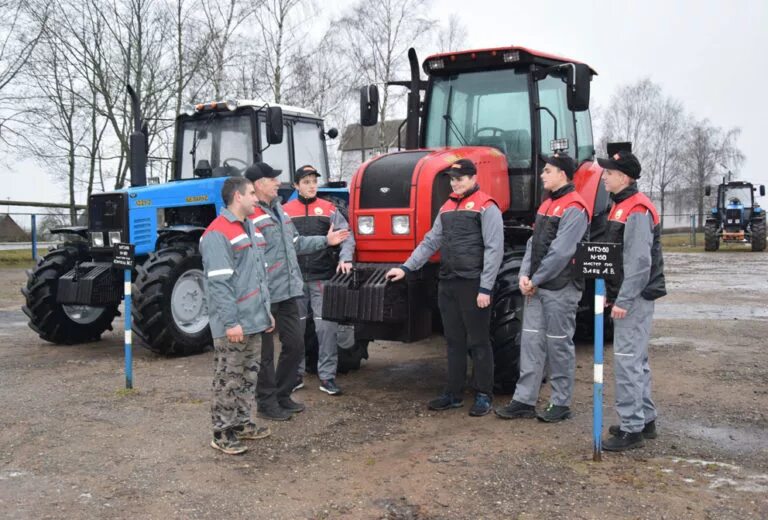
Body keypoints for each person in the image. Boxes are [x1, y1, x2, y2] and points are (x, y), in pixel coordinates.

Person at [386, 158, 503, 417]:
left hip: (473, 283)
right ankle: (453, 393)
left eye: (460, 178)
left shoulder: (487, 206)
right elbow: (430, 242)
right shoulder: (447, 207)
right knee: (454, 340)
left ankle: (484, 394)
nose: (455, 183)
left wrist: (486, 288)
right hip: (448, 282)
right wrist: (406, 268)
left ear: (473, 178)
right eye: (452, 179)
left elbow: (495, 250)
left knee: (479, 340)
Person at [245, 162, 349, 421]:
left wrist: (326, 240)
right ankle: (267, 403)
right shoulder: (250, 213)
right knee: (266, 355)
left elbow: (295, 243)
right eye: (273, 179)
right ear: (259, 184)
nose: (277, 183)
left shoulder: (279, 210)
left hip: (291, 290)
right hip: (267, 293)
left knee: (294, 343)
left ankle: (283, 393)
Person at [495, 152, 591, 423]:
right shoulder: (546, 205)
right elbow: (532, 244)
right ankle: (524, 399)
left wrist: (534, 280)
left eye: (547, 170)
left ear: (562, 174)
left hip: (560, 288)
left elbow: (561, 253)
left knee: (558, 345)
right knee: (531, 343)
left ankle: (560, 402)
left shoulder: (575, 207)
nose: (542, 174)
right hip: (536, 288)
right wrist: (524, 274)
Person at [598, 150, 666, 451]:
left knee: (627, 362)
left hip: (634, 297)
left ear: (623, 177)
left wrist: (623, 299)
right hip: (628, 294)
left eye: (608, 173)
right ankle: (644, 419)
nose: (603, 176)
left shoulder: (636, 209)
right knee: (636, 361)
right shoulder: (622, 206)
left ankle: (631, 429)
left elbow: (638, 262)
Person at [200, 177, 275, 455]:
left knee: (247, 376)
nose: (257, 198)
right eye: (252, 194)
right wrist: (231, 322)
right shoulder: (218, 233)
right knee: (228, 378)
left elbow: (258, 276)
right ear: (237, 197)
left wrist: (266, 312)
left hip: (254, 320)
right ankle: (222, 432)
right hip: (233, 324)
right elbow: (219, 284)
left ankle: (242, 423)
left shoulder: (251, 229)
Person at [283, 165, 355, 396]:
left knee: (326, 329)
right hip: (294, 281)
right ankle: (295, 376)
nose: (312, 185)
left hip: (322, 278)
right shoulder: (285, 212)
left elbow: (347, 236)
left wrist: (345, 258)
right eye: (306, 182)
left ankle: (327, 377)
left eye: (314, 181)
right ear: (296, 185)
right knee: (296, 330)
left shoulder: (329, 209)